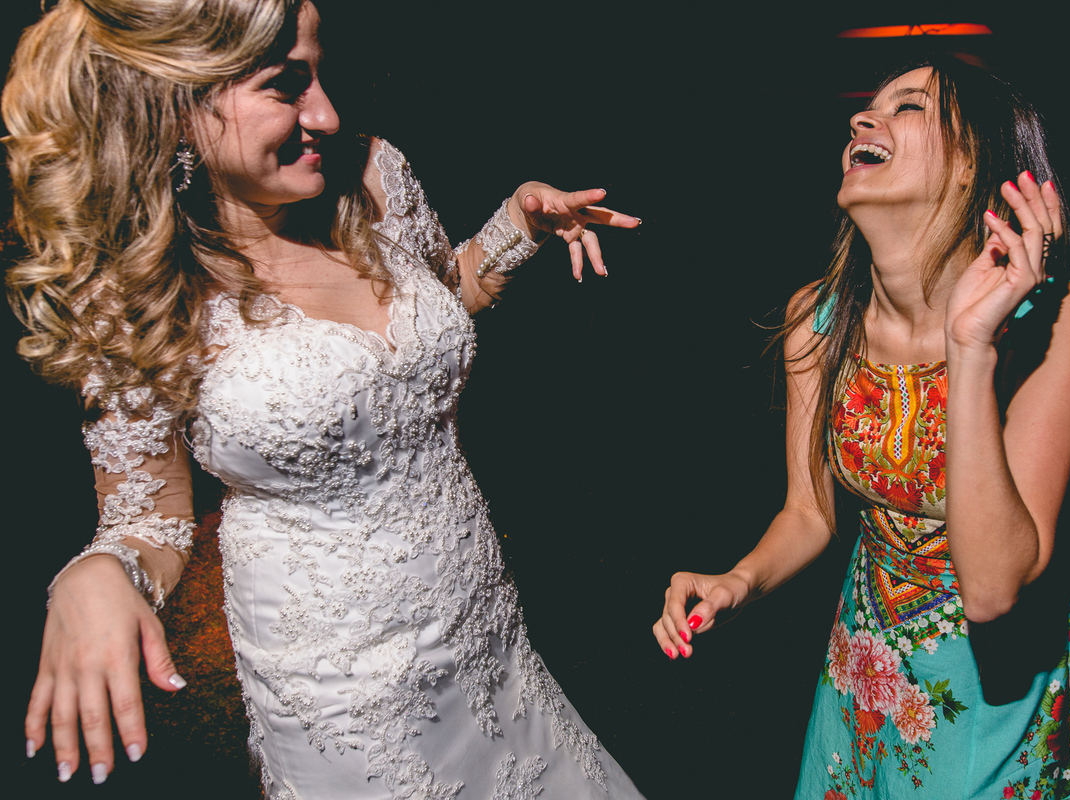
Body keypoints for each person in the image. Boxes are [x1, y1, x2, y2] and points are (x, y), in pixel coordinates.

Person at [7, 0, 645, 796]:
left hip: (487, 626)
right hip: (347, 698)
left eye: (320, 74)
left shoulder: (373, 174)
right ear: (179, 103)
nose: (328, 112)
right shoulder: (138, 283)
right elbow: (150, 517)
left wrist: (519, 221)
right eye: (285, 85)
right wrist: (97, 575)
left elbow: (437, 299)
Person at [653, 56, 1070, 799]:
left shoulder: (1060, 323)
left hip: (1003, 684)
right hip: (868, 658)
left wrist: (971, 348)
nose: (863, 119)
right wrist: (738, 580)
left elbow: (994, 591)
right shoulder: (816, 320)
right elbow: (809, 511)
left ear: (972, 168)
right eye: (866, 109)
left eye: (908, 108)